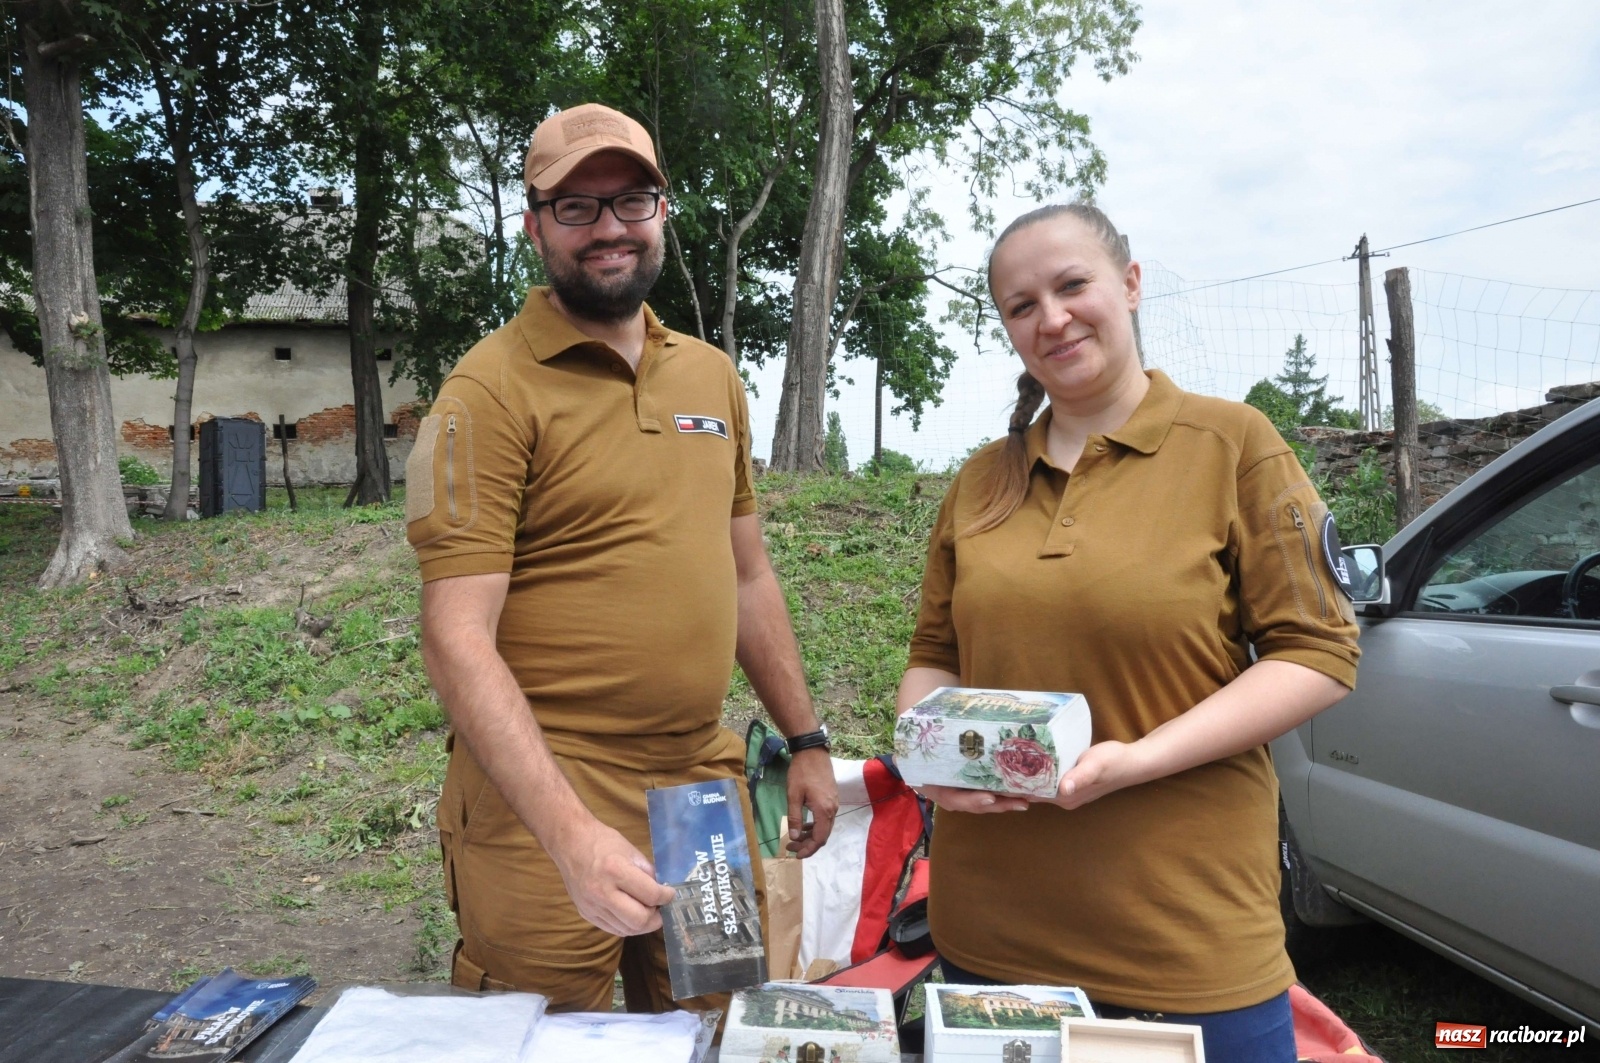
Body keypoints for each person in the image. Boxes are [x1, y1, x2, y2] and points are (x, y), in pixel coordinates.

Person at [896, 203, 1360, 1062]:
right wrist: (927, 764)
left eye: (1073, 285)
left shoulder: (1234, 445)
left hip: (1186, 941)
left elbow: (1320, 653)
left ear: (1132, 284)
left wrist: (1138, 758)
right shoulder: (980, 483)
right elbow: (935, 655)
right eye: (1021, 305)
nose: (1053, 318)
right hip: (989, 942)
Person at [405, 102, 838, 1014]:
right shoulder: (487, 388)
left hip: (698, 786)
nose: (609, 227)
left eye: (630, 199)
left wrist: (805, 740)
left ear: (663, 210)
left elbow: (747, 573)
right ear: (533, 226)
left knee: (717, 1023)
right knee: (539, 1034)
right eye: (576, 207)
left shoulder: (710, 376)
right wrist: (568, 835)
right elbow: (454, 637)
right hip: (546, 788)